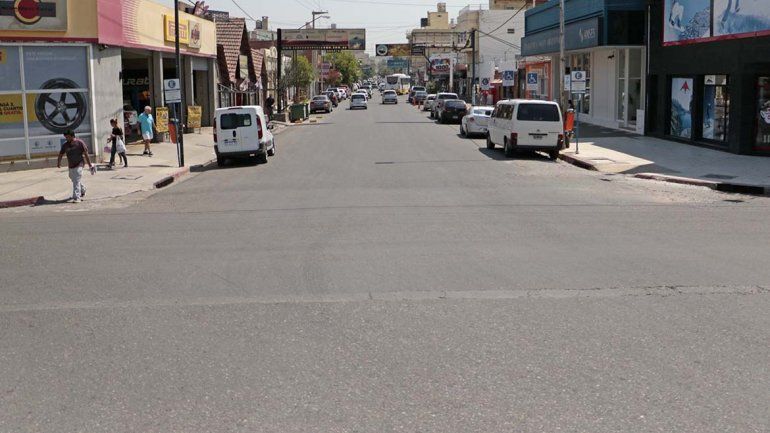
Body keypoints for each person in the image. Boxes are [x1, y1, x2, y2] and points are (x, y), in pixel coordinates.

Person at [57, 130, 94, 203]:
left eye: (67, 137)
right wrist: (59, 163)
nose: (66, 138)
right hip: (71, 165)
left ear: (72, 136)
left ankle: (77, 197)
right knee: (73, 178)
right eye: (65, 137)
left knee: (76, 179)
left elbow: (86, 154)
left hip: (79, 164)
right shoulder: (65, 145)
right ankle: (83, 189)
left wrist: (90, 165)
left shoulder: (79, 143)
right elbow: (61, 154)